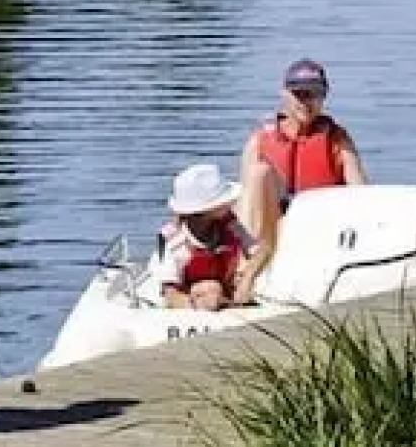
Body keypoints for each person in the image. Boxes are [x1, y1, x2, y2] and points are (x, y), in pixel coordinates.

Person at [232, 58, 366, 276]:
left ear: (324, 96)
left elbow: (360, 194)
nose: (306, 102)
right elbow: (246, 198)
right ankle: (243, 265)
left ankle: (249, 270)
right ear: (285, 94)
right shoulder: (260, 139)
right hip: (271, 227)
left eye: (313, 94)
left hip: (319, 225)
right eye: (299, 94)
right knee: (258, 173)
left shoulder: (338, 141)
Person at [151, 164, 262, 311]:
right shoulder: (172, 243)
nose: (231, 203)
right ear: (206, 211)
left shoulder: (230, 225)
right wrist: (198, 305)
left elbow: (257, 252)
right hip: (190, 302)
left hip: (225, 291)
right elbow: (170, 295)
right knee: (210, 288)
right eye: (224, 201)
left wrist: (247, 276)